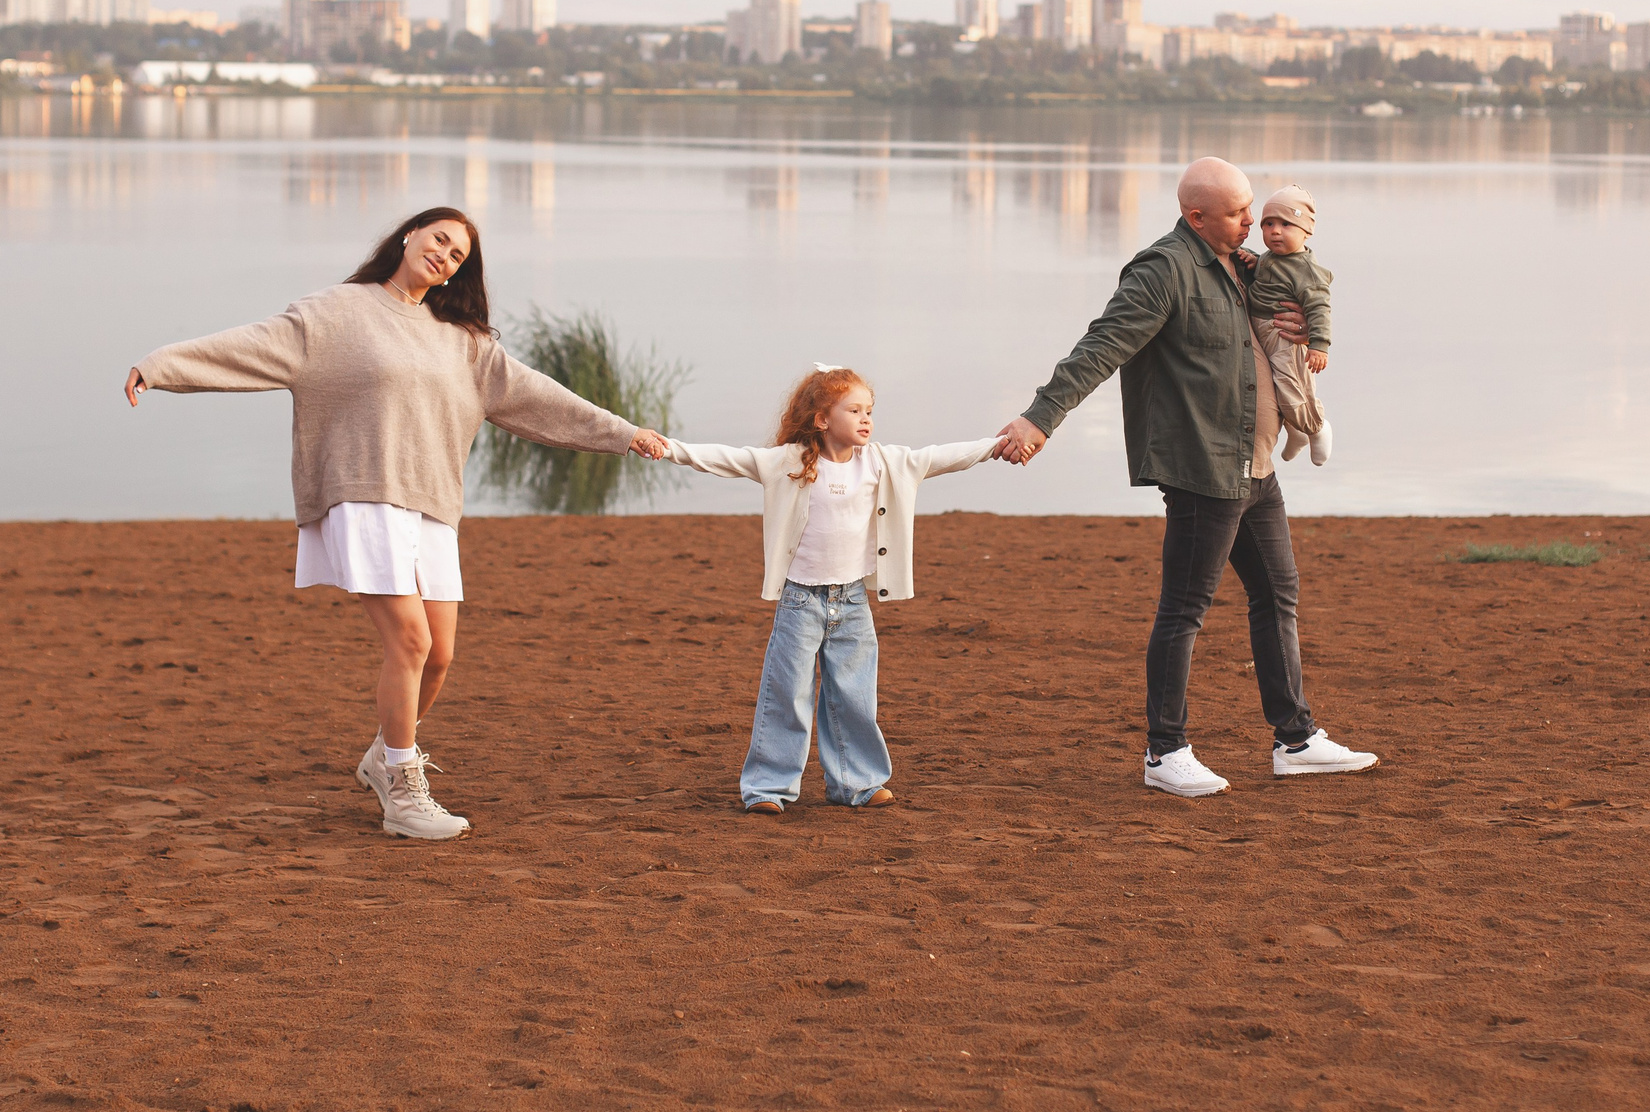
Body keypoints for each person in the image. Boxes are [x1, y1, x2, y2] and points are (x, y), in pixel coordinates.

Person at [122, 205, 670, 841]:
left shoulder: (464, 341)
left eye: (457, 255)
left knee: (438, 656)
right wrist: (160, 366)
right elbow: (250, 346)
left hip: (432, 503)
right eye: (439, 239)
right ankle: (404, 789)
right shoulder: (336, 312)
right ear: (410, 236)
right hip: (362, 492)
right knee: (409, 641)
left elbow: (538, 397)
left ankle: (384, 756)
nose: (444, 255)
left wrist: (624, 434)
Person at [995, 158, 1377, 797]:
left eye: (1252, 207)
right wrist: (1041, 418)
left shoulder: (1246, 265)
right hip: (1204, 467)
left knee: (1277, 596)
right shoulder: (1163, 270)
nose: (1252, 220)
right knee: (1184, 611)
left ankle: (1297, 740)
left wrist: (1299, 326)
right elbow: (1101, 346)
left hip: (1255, 465)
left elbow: (1294, 315)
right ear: (1197, 217)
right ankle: (1164, 752)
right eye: (1236, 213)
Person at [658, 365, 1002, 814]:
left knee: (855, 694)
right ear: (822, 419)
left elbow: (939, 457)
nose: (866, 419)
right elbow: (727, 458)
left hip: (853, 601)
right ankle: (768, 788)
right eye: (854, 410)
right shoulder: (788, 463)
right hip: (800, 600)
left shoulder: (881, 462)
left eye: (869, 411)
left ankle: (856, 783)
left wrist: (997, 446)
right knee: (787, 694)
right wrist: (667, 448)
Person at [1247, 183, 1333, 467]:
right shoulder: (1272, 258)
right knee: (1274, 388)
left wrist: (1319, 345)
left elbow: (1319, 307)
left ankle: (1316, 428)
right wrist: (1254, 261)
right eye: (1268, 223)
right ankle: (1296, 431)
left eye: (1286, 224)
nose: (1274, 231)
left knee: (1290, 386)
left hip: (1283, 336)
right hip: (1263, 334)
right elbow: (1270, 273)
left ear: (1306, 231)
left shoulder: (1306, 270)